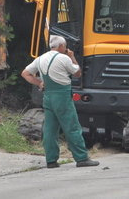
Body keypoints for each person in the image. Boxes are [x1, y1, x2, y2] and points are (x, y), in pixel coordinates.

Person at [21, 35, 99, 168]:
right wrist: (72, 57)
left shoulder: (40, 59)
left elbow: (25, 73)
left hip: (48, 97)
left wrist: (39, 83)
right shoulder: (64, 58)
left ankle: (51, 160)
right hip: (62, 96)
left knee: (50, 129)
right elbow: (77, 73)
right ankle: (81, 158)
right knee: (72, 127)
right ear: (62, 46)